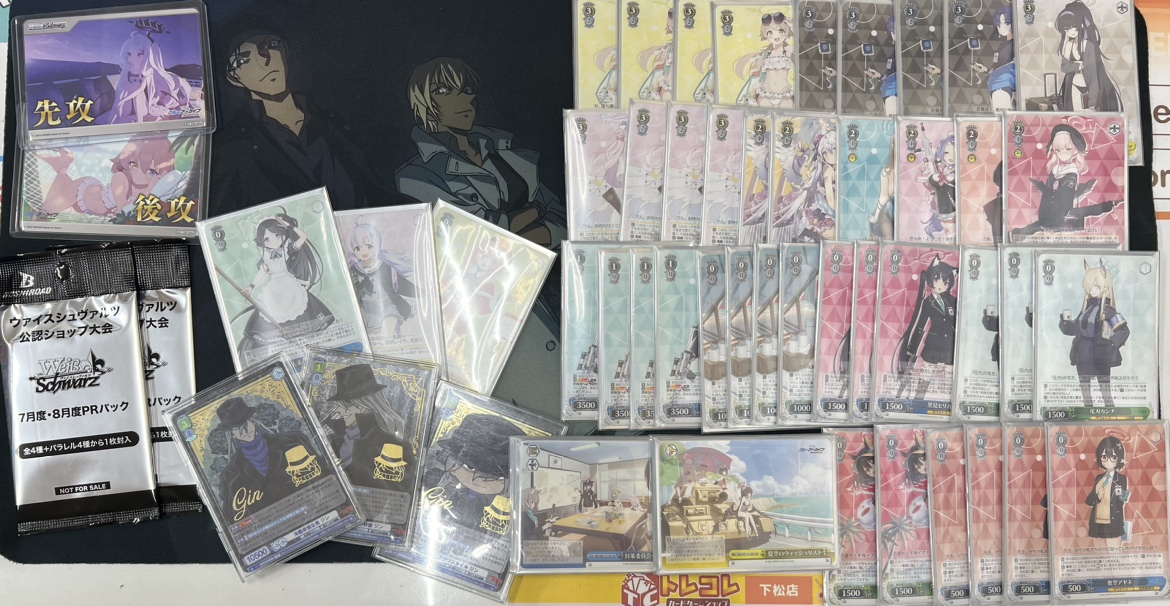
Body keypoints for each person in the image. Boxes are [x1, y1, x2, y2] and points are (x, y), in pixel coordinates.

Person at [211, 23, 402, 214]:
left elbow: (375, 193)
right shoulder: (231, 148)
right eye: (243, 60)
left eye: (271, 45)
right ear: (233, 77)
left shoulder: (334, 125)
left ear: (285, 50)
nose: (264, 60)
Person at [396, 57, 566, 249]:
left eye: (467, 90)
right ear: (420, 101)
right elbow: (474, 236)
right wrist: (537, 210)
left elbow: (561, 220)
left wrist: (509, 239)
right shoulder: (414, 176)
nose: (463, 99)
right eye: (442, 91)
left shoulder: (503, 152)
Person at [237, 213, 334, 362]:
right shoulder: (266, 256)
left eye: (277, 235)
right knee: (274, 316)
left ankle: (306, 349)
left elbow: (303, 236)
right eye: (267, 239)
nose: (274, 241)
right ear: (261, 241)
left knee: (297, 312)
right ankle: (290, 351)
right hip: (274, 289)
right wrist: (251, 287)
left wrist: (289, 226)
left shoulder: (288, 248)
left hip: (289, 285)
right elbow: (263, 271)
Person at [216, 397, 320, 521]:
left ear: (253, 420)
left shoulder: (294, 441)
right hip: (274, 528)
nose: (244, 431)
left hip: (315, 514)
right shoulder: (230, 476)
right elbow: (234, 520)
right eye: (236, 428)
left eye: (245, 424)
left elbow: (325, 474)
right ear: (231, 434)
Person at [423, 413, 525, 532]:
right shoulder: (439, 479)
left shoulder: (505, 507)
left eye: (492, 477)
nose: (475, 479)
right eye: (468, 467)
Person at [1012, 124, 1117, 238]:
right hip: (1045, 215)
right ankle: (1015, 235)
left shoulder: (1072, 173)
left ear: (1075, 150)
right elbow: (1048, 193)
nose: (1062, 153)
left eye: (1068, 149)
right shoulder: (1055, 170)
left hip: (1060, 218)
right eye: (1058, 150)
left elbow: (1066, 197)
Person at [36, 134, 179, 217]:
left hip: (90, 209)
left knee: (57, 198)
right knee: (46, 211)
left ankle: (60, 165)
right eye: (134, 165)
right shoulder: (121, 178)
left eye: (151, 171)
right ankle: (63, 166)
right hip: (83, 192)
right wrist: (148, 192)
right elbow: (123, 210)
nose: (140, 174)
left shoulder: (153, 186)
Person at [321, 364, 409, 489]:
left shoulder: (385, 441)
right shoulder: (338, 434)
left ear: (365, 406)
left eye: (346, 405)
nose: (338, 411)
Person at [1059, 260, 1130, 407]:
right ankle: (1088, 412)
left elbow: (1123, 330)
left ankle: (1109, 412)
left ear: (1105, 285)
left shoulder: (1108, 310)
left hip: (1100, 354)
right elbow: (1074, 330)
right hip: (1082, 353)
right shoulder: (1085, 310)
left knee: (1105, 391)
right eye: (1090, 286)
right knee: (1085, 390)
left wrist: (1111, 344)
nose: (1092, 290)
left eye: (1096, 286)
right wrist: (1065, 322)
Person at [896, 256, 958, 401]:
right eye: (937, 280)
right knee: (925, 377)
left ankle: (951, 402)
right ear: (931, 280)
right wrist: (911, 349)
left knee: (950, 377)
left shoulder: (952, 300)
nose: (941, 285)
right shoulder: (927, 302)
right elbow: (920, 325)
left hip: (950, 345)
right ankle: (918, 400)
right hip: (933, 344)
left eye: (945, 282)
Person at [345, 221, 416, 336]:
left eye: (368, 246)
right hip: (366, 309)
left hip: (386, 305)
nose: (364, 251)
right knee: (372, 337)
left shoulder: (382, 265)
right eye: (357, 248)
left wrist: (419, 292)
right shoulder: (353, 269)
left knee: (387, 333)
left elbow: (399, 282)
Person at [109, 29, 193, 124]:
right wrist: (120, 100)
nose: (132, 58)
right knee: (118, 103)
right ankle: (109, 125)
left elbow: (140, 90)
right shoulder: (126, 70)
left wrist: (124, 99)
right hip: (127, 105)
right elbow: (121, 88)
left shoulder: (148, 72)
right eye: (129, 54)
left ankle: (139, 124)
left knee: (137, 94)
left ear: (147, 55)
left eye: (139, 54)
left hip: (141, 104)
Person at [1056, 1, 1122, 112]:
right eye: (1066, 28)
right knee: (1074, 116)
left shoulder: (1088, 45)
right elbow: (1064, 67)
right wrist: (1079, 65)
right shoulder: (1068, 45)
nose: (1070, 31)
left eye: (1073, 26)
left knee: (1089, 115)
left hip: (1088, 88)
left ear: (1080, 25)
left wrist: (1093, 101)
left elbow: (1092, 74)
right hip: (1072, 85)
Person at [735, 12, 795, 108]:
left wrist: (793, 27)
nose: (776, 36)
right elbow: (752, 72)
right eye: (770, 33)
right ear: (765, 35)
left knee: (786, 116)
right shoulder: (765, 53)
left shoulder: (789, 50)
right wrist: (758, 67)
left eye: (780, 31)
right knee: (763, 116)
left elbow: (803, 50)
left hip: (785, 94)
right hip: (765, 94)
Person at [1085, 436, 1129, 549]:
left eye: (1113, 457)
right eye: (1104, 457)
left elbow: (1122, 501)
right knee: (1099, 556)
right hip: (1096, 522)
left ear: (1119, 458)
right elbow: (1089, 501)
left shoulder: (1121, 479)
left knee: (1114, 555)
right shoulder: (1098, 478)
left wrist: (1123, 495)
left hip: (1113, 523)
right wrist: (1098, 496)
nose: (1108, 461)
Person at [973, 7, 1016, 111]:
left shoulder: (1014, 45)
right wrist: (985, 70)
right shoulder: (1003, 45)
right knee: (1000, 115)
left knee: (1002, 116)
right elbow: (999, 66)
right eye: (999, 24)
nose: (1002, 27)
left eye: (1007, 23)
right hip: (996, 85)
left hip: (1003, 86)